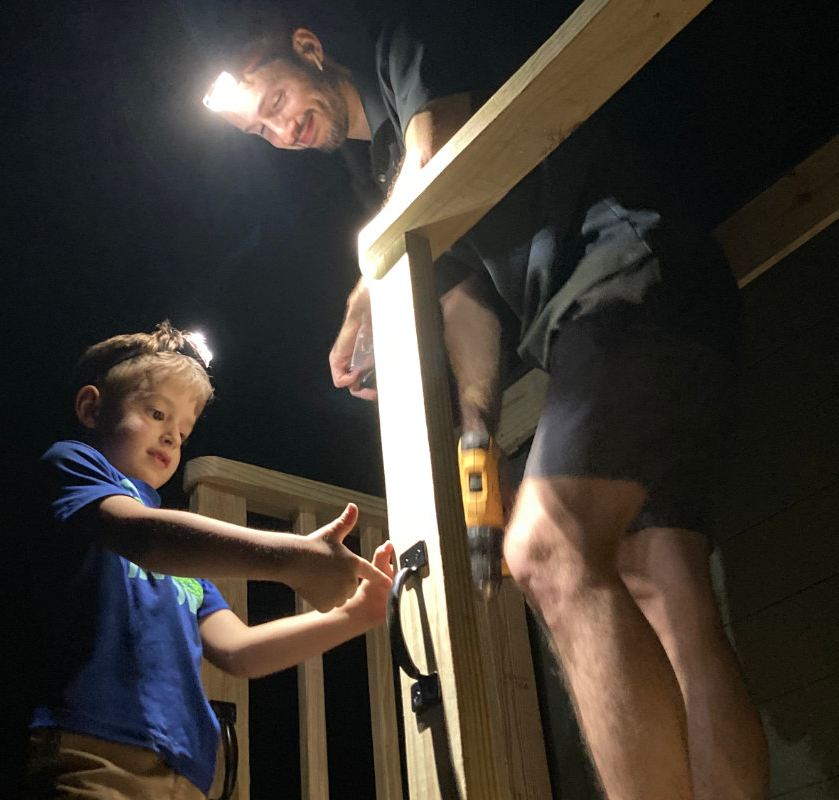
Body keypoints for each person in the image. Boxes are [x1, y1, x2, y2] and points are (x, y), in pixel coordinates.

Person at [203, 11, 768, 800]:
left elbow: (438, 142)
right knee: (666, 590)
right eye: (260, 133)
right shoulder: (376, 173)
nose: (278, 131)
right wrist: (475, 435)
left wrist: (370, 280)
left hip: (632, 276)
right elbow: (466, 302)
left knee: (548, 550)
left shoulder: (409, 41)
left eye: (271, 102)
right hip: (601, 326)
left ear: (307, 48)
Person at [30, 320, 394, 799]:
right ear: (92, 407)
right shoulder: (73, 465)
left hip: (187, 771)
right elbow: (141, 537)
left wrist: (355, 616)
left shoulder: (182, 556)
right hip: (92, 749)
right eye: (157, 413)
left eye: (182, 432)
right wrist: (291, 557)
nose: (171, 439)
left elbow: (240, 650)